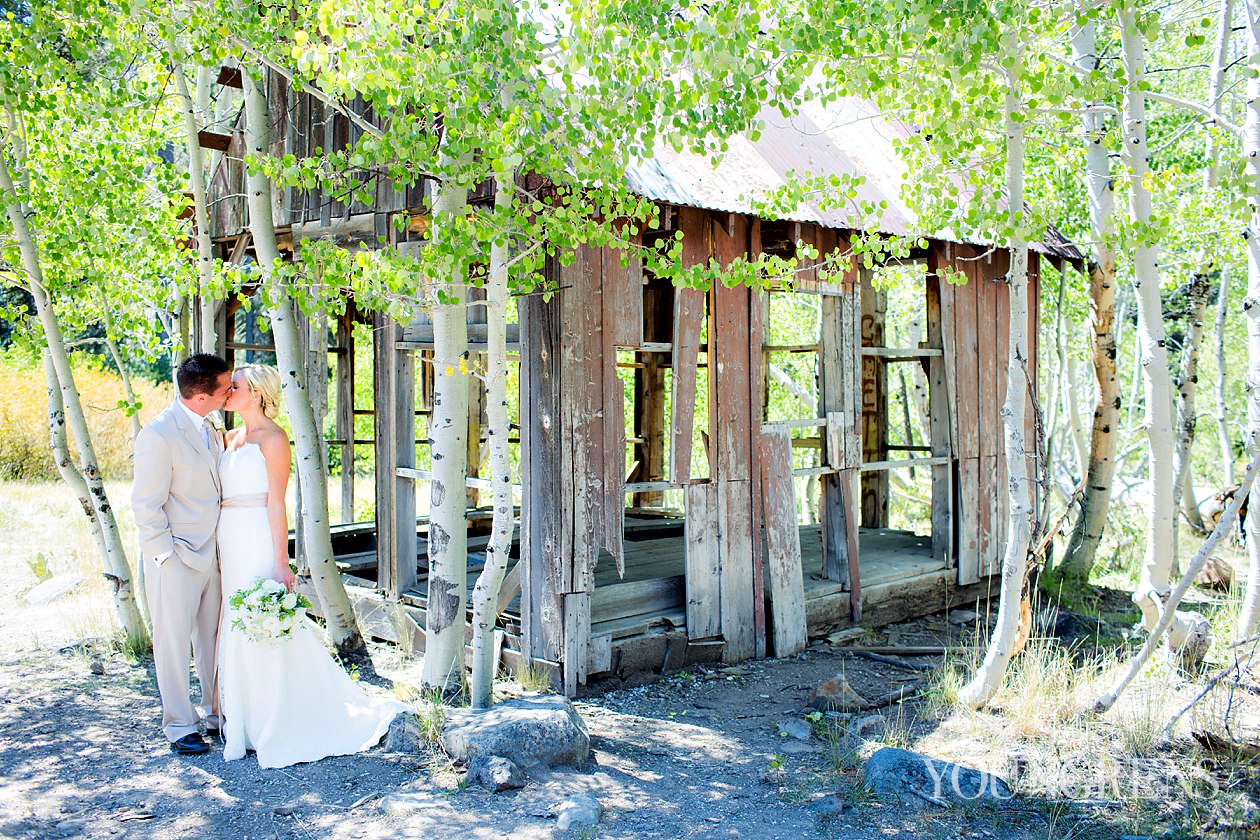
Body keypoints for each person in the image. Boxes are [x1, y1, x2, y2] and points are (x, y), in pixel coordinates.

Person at [216, 363, 405, 768]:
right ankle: (244, 721)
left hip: (256, 536)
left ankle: (283, 715)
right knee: (235, 620)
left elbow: (275, 502)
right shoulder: (228, 437)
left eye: (236, 386)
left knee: (262, 618)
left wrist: (281, 562)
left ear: (259, 394)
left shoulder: (274, 439)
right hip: (227, 537)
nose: (227, 391)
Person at [132, 353, 231, 756]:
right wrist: (164, 558)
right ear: (204, 396)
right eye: (226, 388)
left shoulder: (212, 427)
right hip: (175, 559)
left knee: (211, 639)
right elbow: (145, 505)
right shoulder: (158, 434)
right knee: (173, 643)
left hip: (215, 555)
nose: (231, 393)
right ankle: (178, 724)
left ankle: (215, 713)